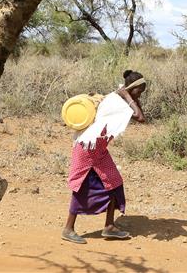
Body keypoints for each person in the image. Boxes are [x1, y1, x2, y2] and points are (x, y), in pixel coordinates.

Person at [61, 70, 146, 244]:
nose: (141, 94)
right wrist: (127, 96)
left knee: (114, 183)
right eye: (139, 91)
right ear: (131, 88)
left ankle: (109, 227)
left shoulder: (123, 99)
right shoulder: (118, 101)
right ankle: (68, 229)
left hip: (98, 150)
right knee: (81, 187)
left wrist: (130, 96)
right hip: (86, 148)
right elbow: (140, 117)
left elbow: (137, 111)